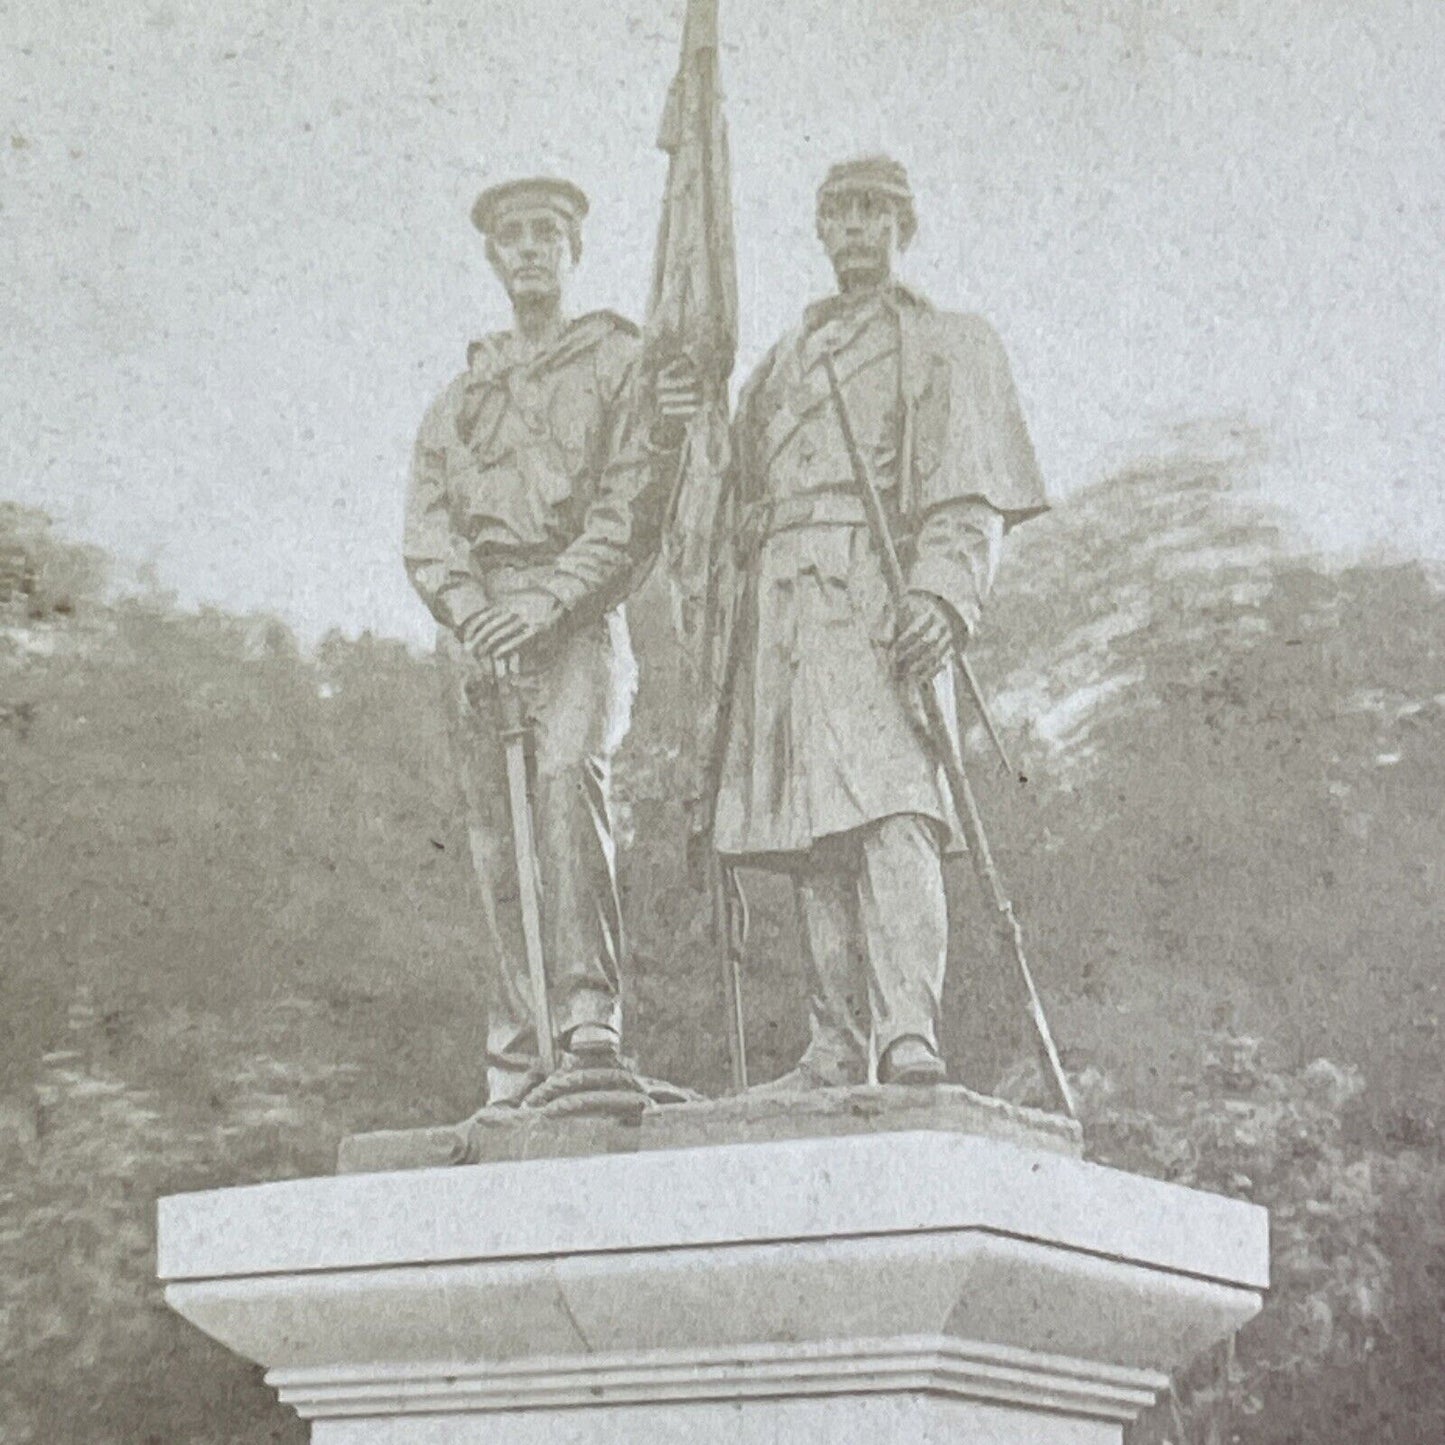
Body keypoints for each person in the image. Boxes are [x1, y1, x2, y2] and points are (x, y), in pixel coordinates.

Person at [664, 155, 1049, 1088]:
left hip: (876, 595)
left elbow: (968, 493)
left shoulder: (944, 341)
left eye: (872, 212)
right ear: (818, 229)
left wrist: (944, 594)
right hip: (783, 604)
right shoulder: (778, 364)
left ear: (902, 226)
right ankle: (835, 1043)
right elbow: (725, 491)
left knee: (896, 812)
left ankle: (905, 1030)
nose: (853, 229)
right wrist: (691, 421)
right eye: (836, 213)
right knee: (812, 836)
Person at [404, 176, 675, 1106]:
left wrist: (549, 601)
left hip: (576, 618)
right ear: (491, 255)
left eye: (546, 234)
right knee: (490, 837)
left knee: (566, 788)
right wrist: (470, 609)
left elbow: (633, 501)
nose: (528, 249)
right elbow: (428, 526)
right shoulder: (457, 399)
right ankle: (517, 1053)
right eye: (511, 235)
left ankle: (588, 1017)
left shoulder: (615, 364)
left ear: (573, 250)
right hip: (477, 634)